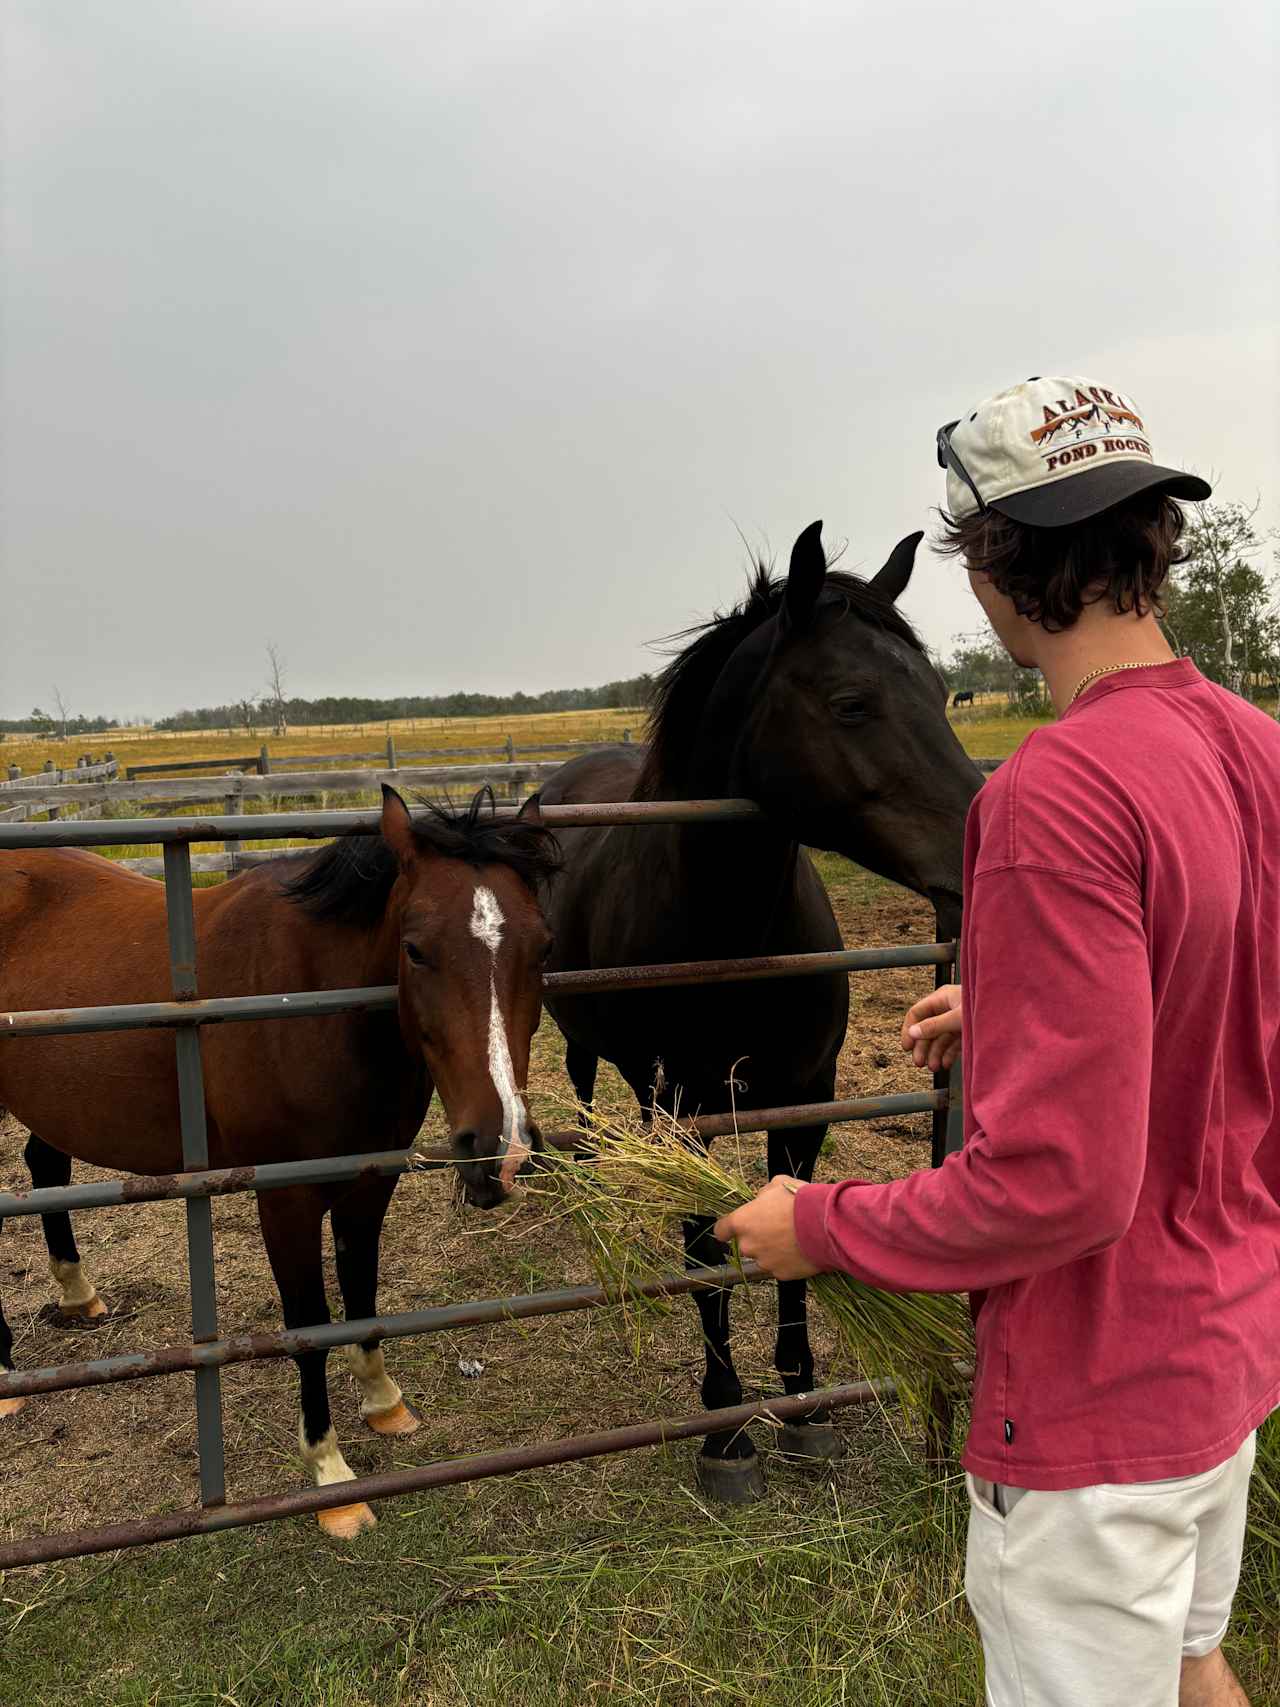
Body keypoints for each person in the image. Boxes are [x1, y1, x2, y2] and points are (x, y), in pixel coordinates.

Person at [713, 377, 1279, 1707]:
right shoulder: (1253, 746)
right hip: (1226, 1356)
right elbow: (1237, 974)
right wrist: (1028, 990)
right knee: (1193, 1663)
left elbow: (1063, 1183)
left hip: (1094, 1410)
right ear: (1154, 536)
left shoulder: (1054, 794)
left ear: (989, 564)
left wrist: (827, 1224)